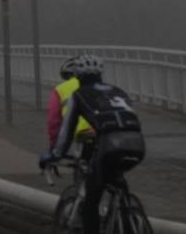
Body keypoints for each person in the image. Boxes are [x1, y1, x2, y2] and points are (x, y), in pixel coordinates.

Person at [39, 54, 147, 234]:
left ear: (78, 76)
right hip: (137, 143)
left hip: (109, 145)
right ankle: (128, 214)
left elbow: (65, 132)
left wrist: (54, 155)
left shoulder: (79, 94)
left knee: (91, 199)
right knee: (118, 183)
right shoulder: (118, 91)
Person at [47, 53, 93, 151]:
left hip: (82, 131)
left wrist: (54, 144)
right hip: (105, 129)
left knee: (83, 161)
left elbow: (53, 120)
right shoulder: (100, 86)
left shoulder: (60, 89)